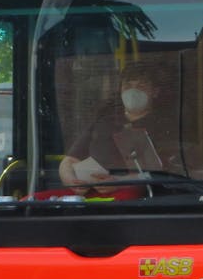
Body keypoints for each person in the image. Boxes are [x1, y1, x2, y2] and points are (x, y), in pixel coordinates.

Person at [58, 60, 186, 190]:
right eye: (127, 86)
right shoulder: (103, 120)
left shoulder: (167, 126)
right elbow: (70, 160)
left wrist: (118, 183)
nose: (133, 92)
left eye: (141, 86)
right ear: (120, 90)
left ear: (155, 92)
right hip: (94, 201)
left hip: (143, 202)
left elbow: (168, 174)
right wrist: (72, 181)